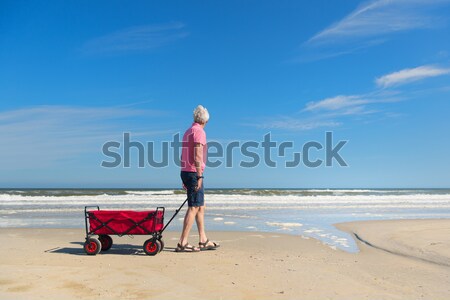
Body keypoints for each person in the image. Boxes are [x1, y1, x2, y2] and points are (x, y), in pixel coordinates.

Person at [176, 105, 219, 252]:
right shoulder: (199, 132)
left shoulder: (188, 131)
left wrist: (185, 176)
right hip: (194, 172)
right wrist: (199, 175)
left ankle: (203, 240)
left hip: (186, 171)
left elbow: (183, 156)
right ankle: (182, 242)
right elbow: (197, 155)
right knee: (194, 207)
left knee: (201, 206)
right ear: (205, 121)